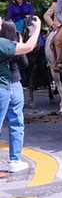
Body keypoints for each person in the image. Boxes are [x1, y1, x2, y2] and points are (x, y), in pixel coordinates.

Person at [0, 16, 41, 172]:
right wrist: (37, 28)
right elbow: (29, 48)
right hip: (7, 86)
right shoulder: (3, 44)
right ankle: (14, 160)